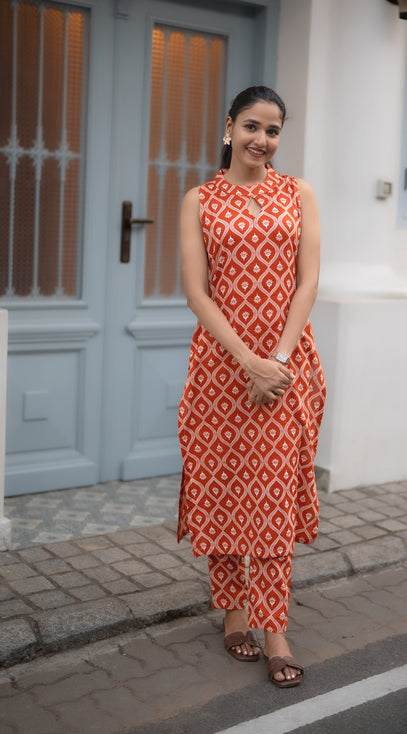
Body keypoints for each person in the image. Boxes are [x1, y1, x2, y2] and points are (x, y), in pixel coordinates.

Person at [177, 86, 325, 688]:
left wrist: (278, 361)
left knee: (272, 496)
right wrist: (248, 363)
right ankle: (235, 609)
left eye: (273, 130)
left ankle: (275, 629)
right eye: (252, 127)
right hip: (222, 372)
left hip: (287, 367)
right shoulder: (198, 201)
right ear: (229, 128)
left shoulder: (299, 194)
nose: (262, 140)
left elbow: (308, 280)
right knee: (231, 487)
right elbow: (196, 293)